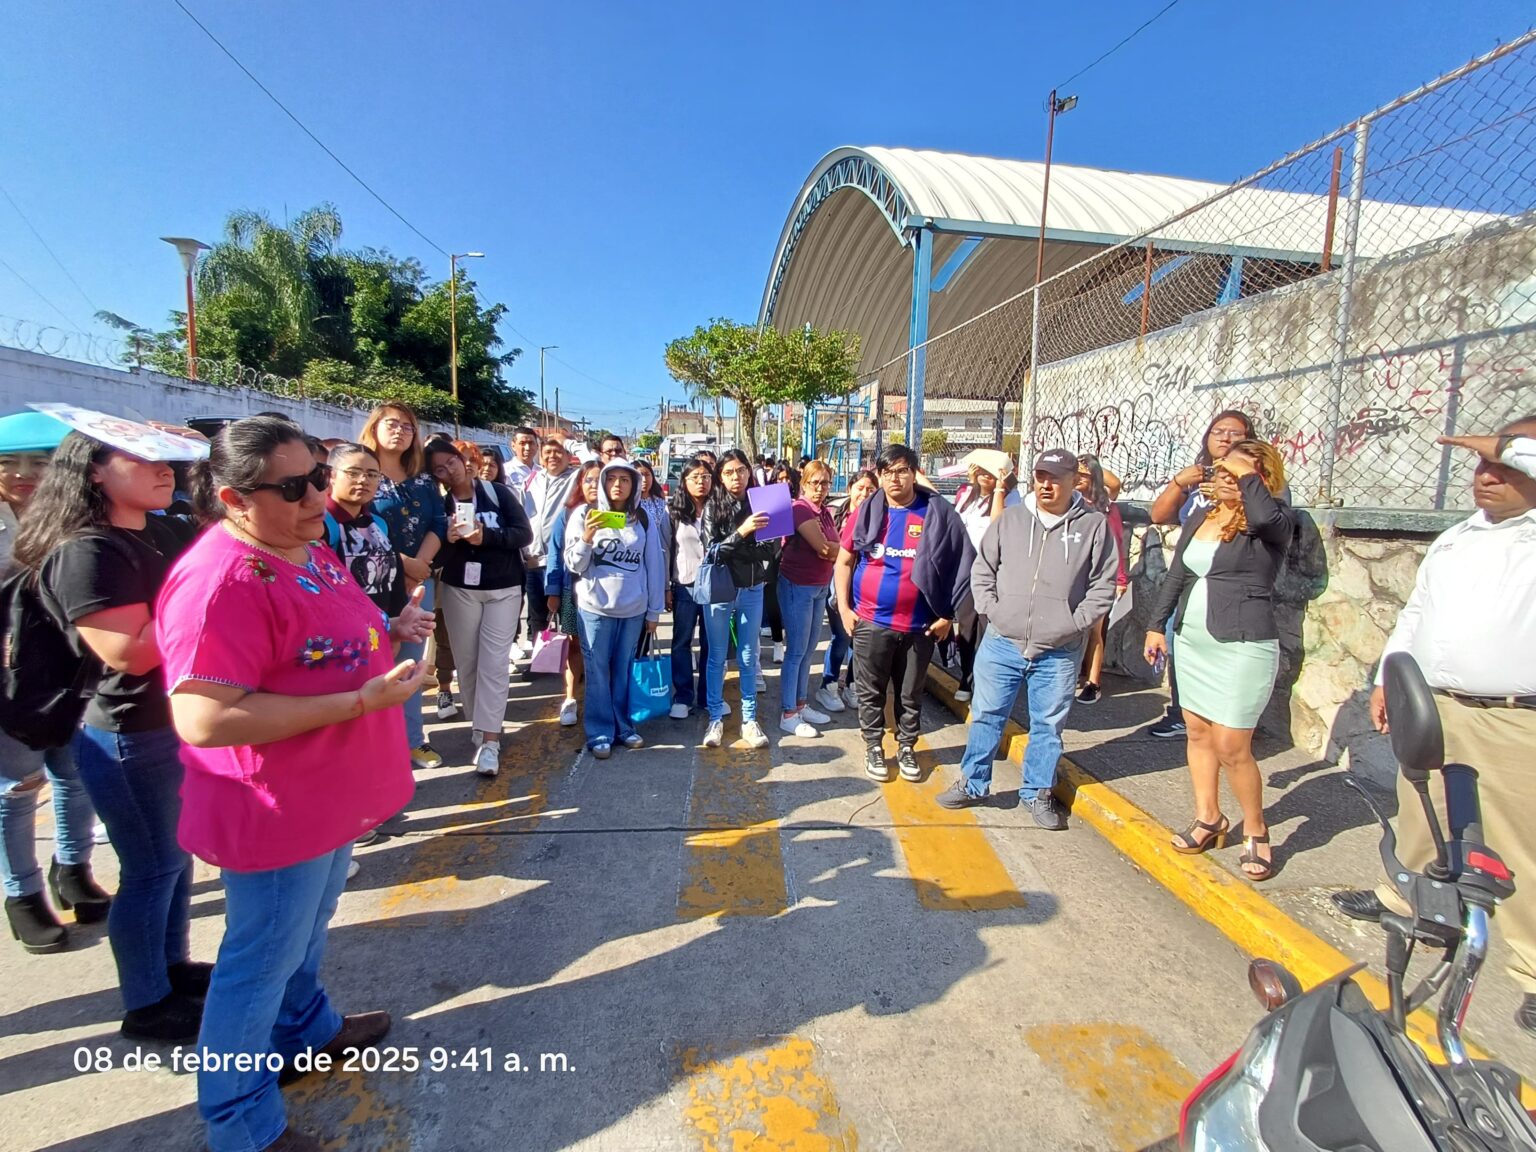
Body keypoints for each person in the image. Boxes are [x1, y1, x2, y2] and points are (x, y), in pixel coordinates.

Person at [157, 415, 434, 1152]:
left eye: (316, 476)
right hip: (276, 805)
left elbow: (329, 630)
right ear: (234, 499)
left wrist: (391, 629)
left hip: (329, 795)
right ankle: (240, 1120)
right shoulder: (221, 581)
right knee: (261, 956)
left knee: (306, 930)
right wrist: (356, 703)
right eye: (296, 486)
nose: (319, 497)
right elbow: (205, 717)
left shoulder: (302, 546)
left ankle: (304, 1028)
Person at [1330, 418, 1536, 1034]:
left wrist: (1498, 444)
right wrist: (1390, 677)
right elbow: (1416, 613)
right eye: (1481, 468)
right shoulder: (1457, 539)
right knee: (1420, 815)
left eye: (1505, 467)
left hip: (1513, 719)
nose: (1486, 476)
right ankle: (1406, 901)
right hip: (1439, 706)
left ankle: (1530, 969)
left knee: (1520, 842)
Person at [14, 430, 204, 1039]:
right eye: (141, 459)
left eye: (164, 458)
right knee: (149, 868)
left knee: (175, 861)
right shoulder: (86, 551)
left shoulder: (157, 531)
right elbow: (131, 652)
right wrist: (209, 612)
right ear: (95, 471)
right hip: (125, 732)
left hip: (169, 722)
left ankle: (171, 966)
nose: (163, 469)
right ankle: (147, 1003)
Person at [937, 449, 1120, 828]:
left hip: (1059, 649)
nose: (1045, 484)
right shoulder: (1013, 520)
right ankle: (973, 783)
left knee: (1048, 726)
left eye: (1054, 477)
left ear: (1075, 481)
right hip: (1002, 640)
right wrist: (993, 610)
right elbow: (983, 568)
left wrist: (1076, 622)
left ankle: (1037, 792)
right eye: (1039, 475)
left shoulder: (1093, 526)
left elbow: (1104, 584)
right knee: (986, 715)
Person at [1144, 439, 1295, 881]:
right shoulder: (1201, 516)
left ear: (1260, 478)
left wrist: (1245, 473)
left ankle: (1256, 829)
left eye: (1236, 474)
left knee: (1233, 745)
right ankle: (1208, 817)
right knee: (1197, 731)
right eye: (1222, 473)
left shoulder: (1273, 522)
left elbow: (1266, 514)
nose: (1225, 479)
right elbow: (1179, 573)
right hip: (1194, 640)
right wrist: (1157, 624)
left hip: (1242, 643)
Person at [0, 413, 106, 955]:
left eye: (38, 462)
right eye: (9, 463)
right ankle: (22, 896)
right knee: (16, 790)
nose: (23, 474)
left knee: (74, 774)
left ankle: (73, 866)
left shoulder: (74, 523)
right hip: (9, 679)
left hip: (71, 670)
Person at [836, 445, 971, 783]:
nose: (895, 478)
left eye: (902, 470)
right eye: (887, 472)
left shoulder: (936, 513)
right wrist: (843, 608)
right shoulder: (866, 511)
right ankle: (873, 747)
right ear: (878, 476)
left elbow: (962, 566)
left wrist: (948, 615)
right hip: (871, 621)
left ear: (915, 472)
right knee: (871, 691)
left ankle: (907, 746)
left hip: (920, 626)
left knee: (910, 692)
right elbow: (844, 561)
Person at [1145, 409, 1258, 738]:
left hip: (1231, 587)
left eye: (1235, 433)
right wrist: (1180, 482)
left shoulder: (1256, 484)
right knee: (1180, 648)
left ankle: (1231, 722)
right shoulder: (1199, 481)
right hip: (1189, 583)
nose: (1225, 437)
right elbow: (1159, 514)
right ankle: (1183, 712)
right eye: (1218, 431)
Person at [425, 441, 533, 778]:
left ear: (463, 460)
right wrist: (448, 539)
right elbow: (435, 559)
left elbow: (523, 534)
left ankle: (490, 740)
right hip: (460, 590)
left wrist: (486, 536)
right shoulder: (437, 505)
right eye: (439, 469)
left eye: (451, 462)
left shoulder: (497, 493)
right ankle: (482, 722)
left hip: (503, 589)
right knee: (467, 664)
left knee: (494, 663)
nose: (449, 471)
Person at [360, 403, 445, 769]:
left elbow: (438, 523)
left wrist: (420, 566)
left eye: (408, 427)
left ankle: (411, 740)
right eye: (391, 424)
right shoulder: (363, 473)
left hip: (418, 583)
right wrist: (402, 562)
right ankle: (374, 744)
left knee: (411, 665)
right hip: (371, 584)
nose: (399, 432)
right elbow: (355, 523)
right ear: (374, 428)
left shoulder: (424, 479)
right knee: (371, 665)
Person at [563, 459, 665, 758]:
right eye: (612, 479)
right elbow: (574, 564)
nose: (618, 485)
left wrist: (654, 610)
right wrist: (586, 537)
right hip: (595, 609)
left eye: (625, 479)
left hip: (633, 609)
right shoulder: (584, 514)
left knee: (622, 671)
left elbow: (654, 566)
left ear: (634, 484)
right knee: (597, 672)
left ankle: (623, 726)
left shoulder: (642, 518)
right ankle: (599, 731)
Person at [700, 449, 775, 749]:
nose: (737, 477)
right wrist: (744, 533)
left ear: (749, 472)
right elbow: (712, 552)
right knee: (717, 656)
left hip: (752, 589)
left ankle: (749, 720)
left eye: (741, 470)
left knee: (748, 656)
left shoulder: (764, 503)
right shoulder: (712, 507)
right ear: (720, 476)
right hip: (720, 590)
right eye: (729, 472)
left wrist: (733, 545)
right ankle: (715, 717)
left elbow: (770, 550)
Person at [777, 461, 840, 737]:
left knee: (809, 648)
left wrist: (840, 549)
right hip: (797, 586)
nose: (820, 488)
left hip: (818, 586)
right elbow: (826, 548)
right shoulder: (800, 509)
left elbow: (834, 547)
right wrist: (849, 549)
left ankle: (801, 705)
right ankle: (788, 712)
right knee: (796, 651)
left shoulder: (824, 511)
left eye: (825, 483)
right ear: (803, 483)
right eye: (814, 482)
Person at [951, 456, 1020, 702]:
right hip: (966, 568)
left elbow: (997, 526)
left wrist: (1000, 489)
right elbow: (956, 521)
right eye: (982, 469)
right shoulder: (967, 495)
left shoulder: (1012, 498)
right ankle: (967, 677)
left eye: (992, 472)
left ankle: (985, 681)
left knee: (987, 627)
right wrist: (972, 484)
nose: (985, 475)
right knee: (967, 626)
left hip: (994, 572)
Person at [545, 461, 602, 727]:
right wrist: (553, 590)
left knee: (600, 649)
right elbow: (555, 555)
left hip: (604, 593)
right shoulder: (569, 514)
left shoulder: (618, 513)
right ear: (580, 483)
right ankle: (570, 699)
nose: (594, 485)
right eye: (588, 480)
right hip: (572, 589)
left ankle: (598, 698)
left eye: (599, 479)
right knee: (575, 645)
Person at [323, 443, 406, 618]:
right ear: (331, 475)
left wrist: (396, 627)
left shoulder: (379, 525)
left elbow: (396, 583)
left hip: (381, 631)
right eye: (353, 473)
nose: (363, 480)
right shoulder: (318, 524)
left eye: (372, 474)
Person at [817, 470, 876, 714]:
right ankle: (828, 684)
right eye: (860, 487)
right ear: (850, 487)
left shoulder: (878, 516)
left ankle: (851, 684)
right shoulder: (835, 514)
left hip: (864, 588)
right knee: (841, 636)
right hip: (838, 586)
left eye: (870, 489)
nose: (864, 493)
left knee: (859, 641)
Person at [1074, 453, 1130, 704]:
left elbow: (1116, 543)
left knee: (1096, 630)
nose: (1077, 478)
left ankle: (1093, 681)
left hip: (1098, 575)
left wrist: (1119, 579)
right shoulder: (1068, 502)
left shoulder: (1107, 507)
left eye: (1083, 475)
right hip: (1073, 573)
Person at [523, 439, 579, 673]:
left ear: (568, 456)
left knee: (565, 617)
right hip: (532, 558)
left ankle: (570, 665)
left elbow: (595, 461)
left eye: (558, 452)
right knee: (538, 616)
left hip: (558, 560)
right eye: (547, 452)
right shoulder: (532, 479)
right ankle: (541, 662)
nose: (552, 457)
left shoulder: (574, 479)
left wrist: (570, 441)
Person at [666, 457, 713, 719]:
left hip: (713, 586)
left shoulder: (719, 508)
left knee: (711, 643)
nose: (701, 481)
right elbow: (666, 552)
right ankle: (683, 695)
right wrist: (665, 588)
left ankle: (707, 696)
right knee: (681, 642)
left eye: (705, 476)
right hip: (684, 585)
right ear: (684, 481)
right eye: (695, 477)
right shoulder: (673, 512)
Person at [506, 426, 539, 492]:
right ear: (513, 446)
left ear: (537, 446)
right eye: (522, 443)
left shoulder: (542, 472)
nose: (527, 448)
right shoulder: (505, 471)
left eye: (531, 443)